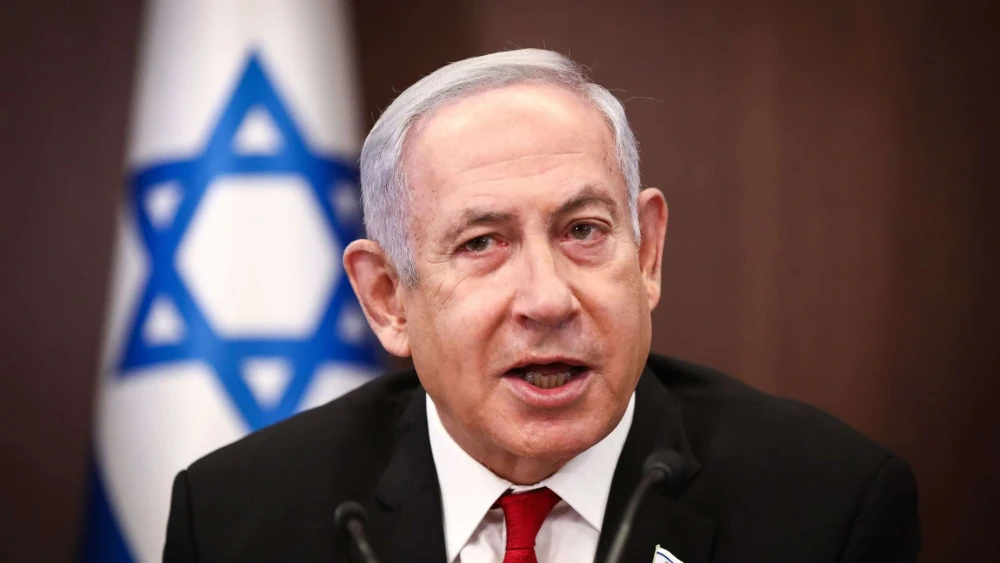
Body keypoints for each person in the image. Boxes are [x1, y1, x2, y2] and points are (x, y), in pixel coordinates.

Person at [163, 49, 919, 563]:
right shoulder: (238, 518)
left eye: (583, 231)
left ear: (647, 252)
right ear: (388, 298)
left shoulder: (830, 507)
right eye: (482, 242)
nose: (548, 298)